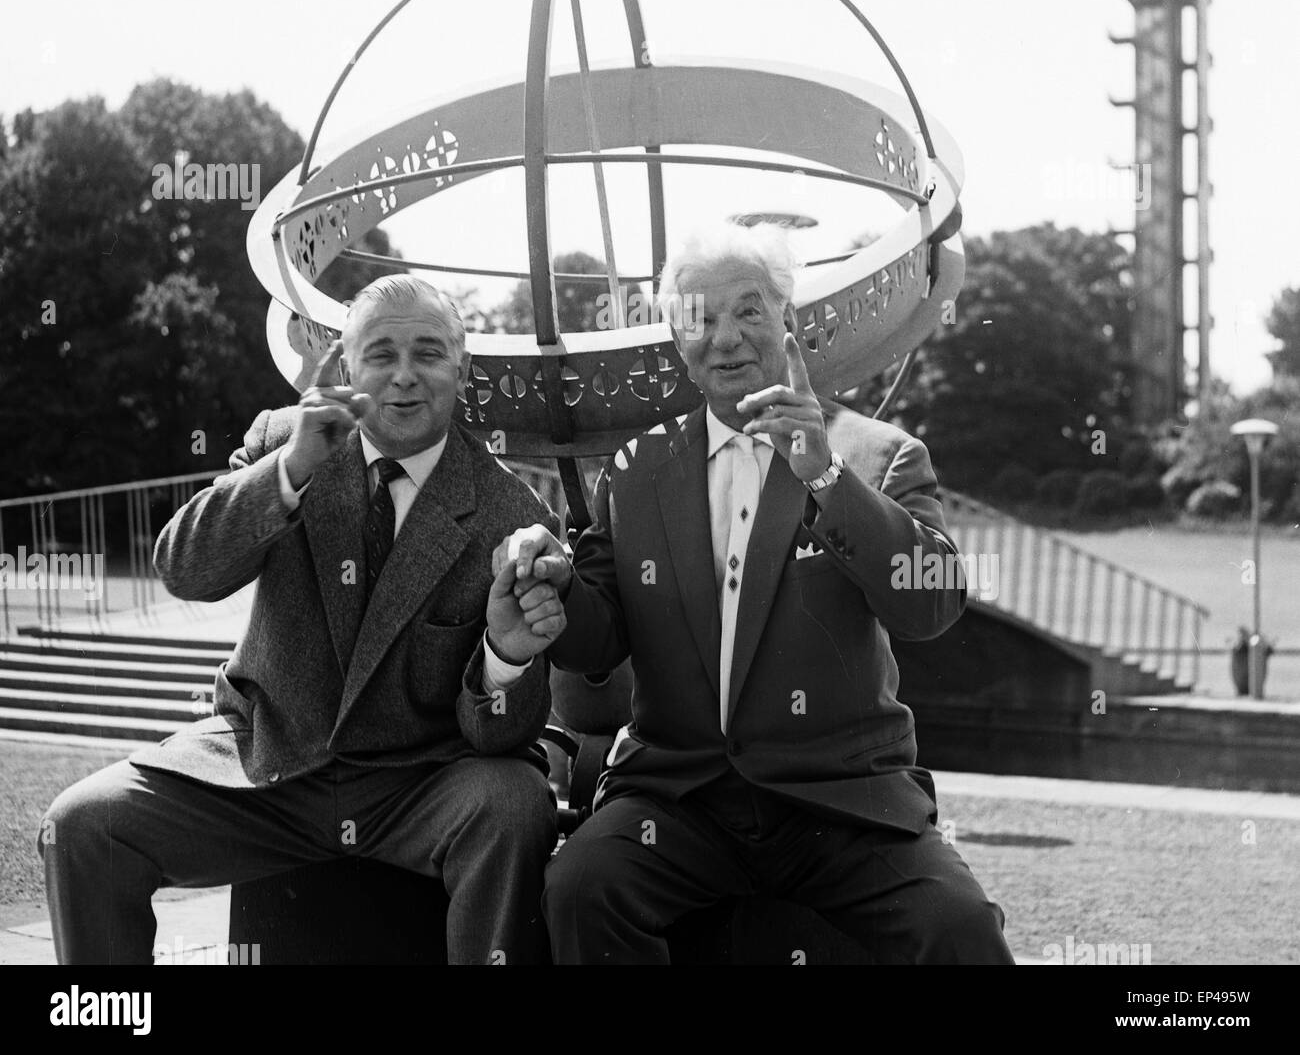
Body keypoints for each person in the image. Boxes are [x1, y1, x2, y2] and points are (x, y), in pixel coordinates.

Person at [495, 223, 1014, 964]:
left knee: (960, 930)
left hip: (843, 804)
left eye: (748, 310)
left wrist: (826, 477)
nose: (727, 336)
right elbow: (600, 635)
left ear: (789, 320)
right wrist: (554, 587)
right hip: (680, 801)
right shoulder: (637, 469)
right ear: (678, 341)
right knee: (580, 887)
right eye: (700, 318)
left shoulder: (878, 453)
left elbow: (931, 604)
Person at [39, 274, 566, 965]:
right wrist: (291, 470)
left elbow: (498, 736)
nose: (404, 376)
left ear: (460, 369)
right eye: (380, 354)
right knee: (81, 826)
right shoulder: (285, 439)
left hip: (419, 784)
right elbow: (184, 570)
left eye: (429, 353)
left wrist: (506, 653)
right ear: (347, 367)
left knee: (514, 806)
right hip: (263, 762)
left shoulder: (512, 514)